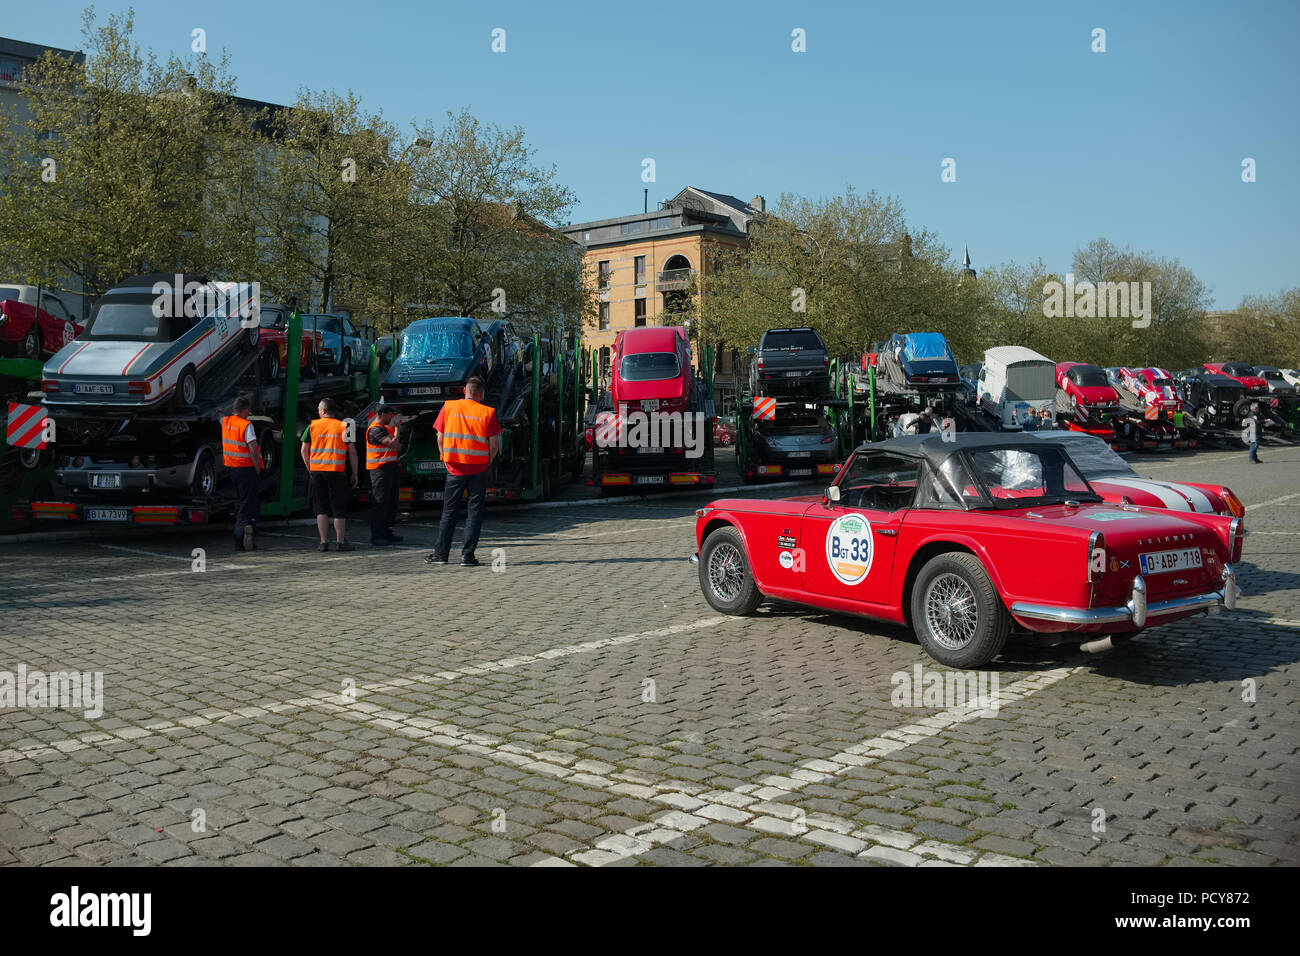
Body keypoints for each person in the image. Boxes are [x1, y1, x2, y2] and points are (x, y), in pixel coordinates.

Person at [425, 376, 501, 567]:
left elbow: (439, 438)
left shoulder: (449, 407)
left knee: (449, 511)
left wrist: (445, 457)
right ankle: (467, 556)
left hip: (455, 468)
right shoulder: (487, 412)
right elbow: (494, 446)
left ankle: (441, 554)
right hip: (478, 468)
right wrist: (486, 463)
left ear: (465, 391)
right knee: (474, 511)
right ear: (480, 393)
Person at [300, 397, 358, 551]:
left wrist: (310, 468)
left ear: (324, 411)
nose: (318, 412)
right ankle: (340, 543)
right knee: (339, 508)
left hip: (317, 472)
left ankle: (323, 543)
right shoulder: (345, 426)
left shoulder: (311, 426)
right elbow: (352, 452)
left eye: (319, 409)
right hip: (337, 472)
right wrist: (355, 474)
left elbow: (303, 451)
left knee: (321, 508)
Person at [221, 395, 264, 551]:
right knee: (247, 504)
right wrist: (258, 467)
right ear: (246, 410)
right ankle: (240, 539)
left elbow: (220, 415)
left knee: (245, 501)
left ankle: (249, 531)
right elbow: (252, 449)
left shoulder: (225, 422)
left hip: (232, 468)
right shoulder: (246, 426)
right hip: (246, 469)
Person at [366, 404, 404, 545]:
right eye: (390, 414)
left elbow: (397, 447)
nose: (392, 417)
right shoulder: (375, 429)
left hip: (390, 469)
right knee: (380, 502)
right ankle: (377, 535)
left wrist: (395, 435)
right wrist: (397, 431)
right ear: (381, 414)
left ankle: (387, 531)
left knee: (391, 502)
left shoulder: (384, 429)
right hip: (380, 470)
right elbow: (393, 444)